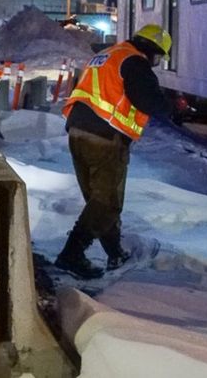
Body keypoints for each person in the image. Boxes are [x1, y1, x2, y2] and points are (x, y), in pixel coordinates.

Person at [57, 24, 174, 279]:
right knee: (107, 204)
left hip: (77, 132)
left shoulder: (108, 55)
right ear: (153, 51)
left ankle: (114, 253)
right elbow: (149, 100)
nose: (154, 63)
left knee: (99, 200)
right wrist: (174, 108)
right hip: (104, 137)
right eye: (157, 58)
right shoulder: (135, 62)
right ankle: (72, 254)